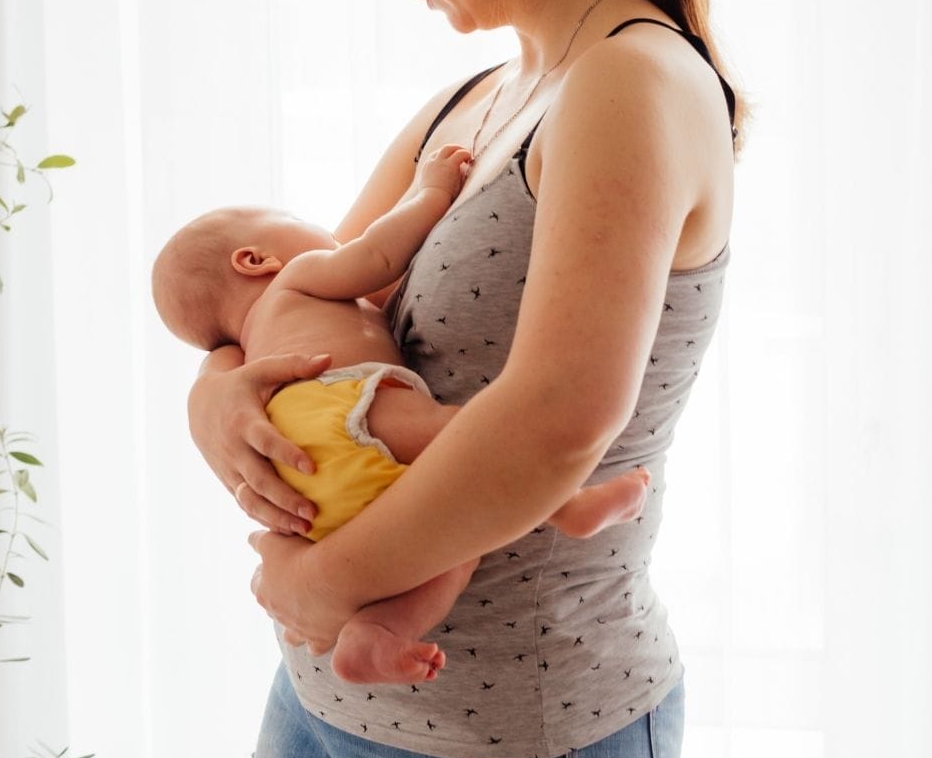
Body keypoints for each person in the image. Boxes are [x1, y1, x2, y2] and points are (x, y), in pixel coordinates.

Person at [185, 0, 742, 758]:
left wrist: (317, 585)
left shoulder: (632, 85)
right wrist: (215, 396)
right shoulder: (479, 97)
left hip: (517, 731)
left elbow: (554, 427)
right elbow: (300, 305)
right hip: (335, 697)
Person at [151, 148, 652, 685]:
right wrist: (431, 190)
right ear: (255, 260)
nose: (331, 232)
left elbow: (220, 374)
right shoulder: (296, 279)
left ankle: (378, 632)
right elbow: (378, 255)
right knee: (463, 437)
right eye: (297, 222)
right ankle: (567, 504)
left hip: (304, 478)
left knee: (457, 542)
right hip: (338, 401)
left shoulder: (249, 346)